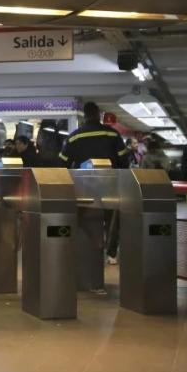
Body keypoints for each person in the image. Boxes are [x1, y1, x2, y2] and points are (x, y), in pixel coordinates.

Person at [59, 102, 129, 265]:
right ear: (98, 114)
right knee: (111, 220)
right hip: (109, 184)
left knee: (82, 218)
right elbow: (124, 160)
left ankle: (83, 249)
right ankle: (111, 254)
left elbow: (63, 162)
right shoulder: (112, 134)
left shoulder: (75, 136)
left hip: (83, 185)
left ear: (84, 115)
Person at [59, 102, 128, 169]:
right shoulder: (113, 134)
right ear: (99, 115)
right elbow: (124, 160)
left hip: (82, 179)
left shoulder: (73, 137)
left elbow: (62, 163)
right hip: (108, 178)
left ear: (85, 116)